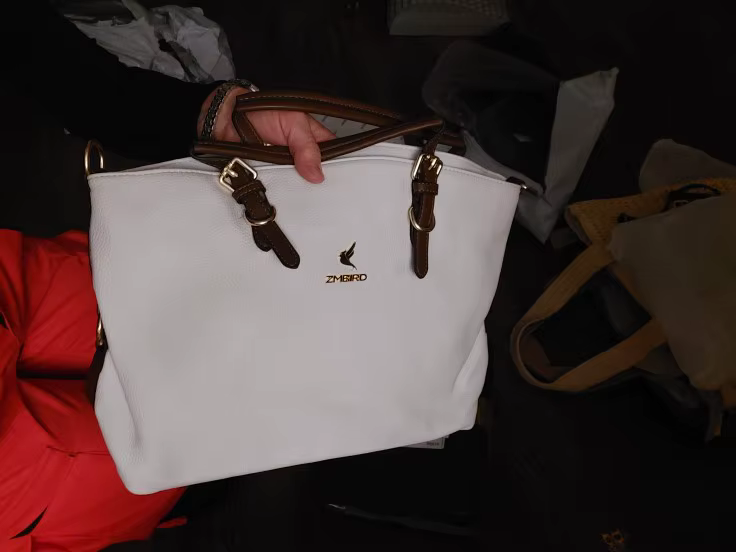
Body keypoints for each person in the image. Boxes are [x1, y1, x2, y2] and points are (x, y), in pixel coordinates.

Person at [0, 3, 333, 551]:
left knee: (210, 324)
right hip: (28, 476)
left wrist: (211, 117)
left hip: (22, 294)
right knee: (163, 464)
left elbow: (33, 46)